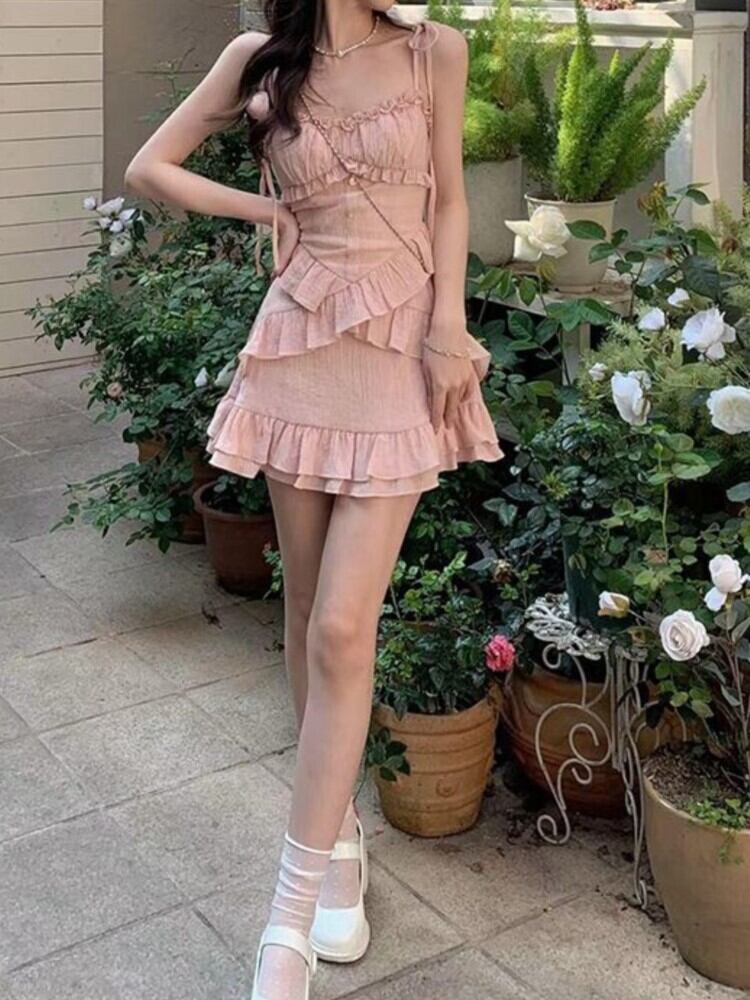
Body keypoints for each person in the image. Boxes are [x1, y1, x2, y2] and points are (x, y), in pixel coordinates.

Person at [125, 3, 502, 997]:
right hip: (299, 343)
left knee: (342, 624)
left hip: (399, 350)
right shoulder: (261, 58)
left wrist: (448, 326)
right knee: (303, 612)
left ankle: (284, 925)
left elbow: (450, 200)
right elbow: (149, 168)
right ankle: (336, 840)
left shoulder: (432, 50)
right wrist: (266, 212)